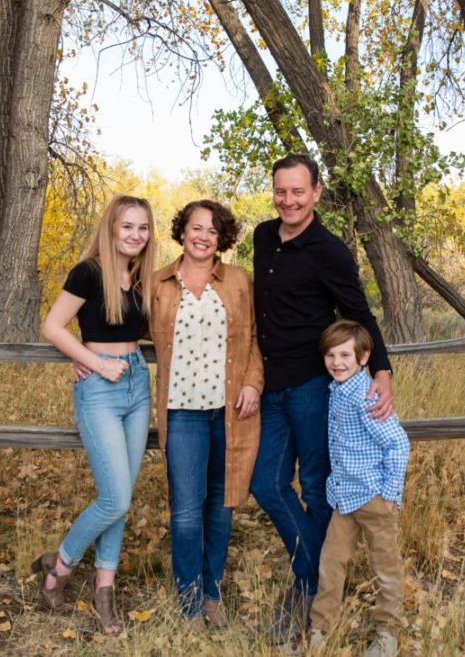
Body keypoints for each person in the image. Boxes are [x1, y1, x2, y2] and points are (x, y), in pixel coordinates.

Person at [251, 154, 395, 642]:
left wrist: (383, 370)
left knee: (315, 488)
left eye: (298, 191)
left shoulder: (329, 250)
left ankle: (308, 592)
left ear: (316, 192)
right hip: (271, 386)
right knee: (267, 484)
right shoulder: (262, 237)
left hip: (315, 388)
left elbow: (359, 312)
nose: (288, 200)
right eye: (280, 191)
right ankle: (316, 575)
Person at [33, 194, 156, 635]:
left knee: (120, 499)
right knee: (115, 498)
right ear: (111, 227)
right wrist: (92, 359)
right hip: (99, 389)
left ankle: (104, 592)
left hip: (138, 385)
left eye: (142, 228)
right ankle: (59, 566)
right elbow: (52, 326)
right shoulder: (88, 272)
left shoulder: (142, 278)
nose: (135, 236)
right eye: (127, 227)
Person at [150, 199, 264, 628]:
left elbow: (255, 336)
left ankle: (212, 593)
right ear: (182, 231)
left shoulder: (237, 281)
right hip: (181, 413)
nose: (203, 237)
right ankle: (188, 600)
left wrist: (253, 381)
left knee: (221, 504)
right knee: (185, 508)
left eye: (213, 231)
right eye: (196, 228)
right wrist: (88, 355)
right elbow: (124, 325)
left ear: (222, 239)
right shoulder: (158, 282)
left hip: (229, 411)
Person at [307, 320, 409, 657]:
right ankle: (321, 629)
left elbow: (398, 444)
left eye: (345, 355)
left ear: (364, 358)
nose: (337, 362)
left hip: (374, 498)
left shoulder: (366, 397)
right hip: (344, 497)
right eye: (331, 355)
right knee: (331, 562)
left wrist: (391, 495)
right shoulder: (337, 390)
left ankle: (387, 634)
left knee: (386, 567)